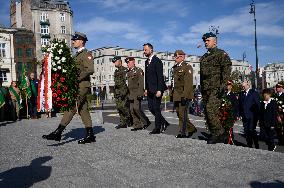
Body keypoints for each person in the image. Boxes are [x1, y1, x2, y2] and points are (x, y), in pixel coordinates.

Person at [42, 31, 96, 144]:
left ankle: (58, 132)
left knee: (72, 106)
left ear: (81, 41)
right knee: (83, 109)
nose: (73, 42)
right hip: (76, 85)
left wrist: (76, 78)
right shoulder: (76, 55)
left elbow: (90, 69)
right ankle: (90, 134)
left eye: (75, 40)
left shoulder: (87, 54)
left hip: (82, 85)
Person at [200, 32, 232, 144]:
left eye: (208, 40)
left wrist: (223, 85)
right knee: (207, 111)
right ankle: (215, 133)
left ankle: (220, 133)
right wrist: (201, 87)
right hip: (206, 88)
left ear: (215, 41)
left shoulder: (221, 54)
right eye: (205, 41)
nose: (205, 43)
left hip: (216, 88)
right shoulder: (204, 57)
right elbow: (202, 75)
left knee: (210, 109)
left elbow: (226, 70)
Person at [143, 43, 169, 134]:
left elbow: (160, 77)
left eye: (145, 50)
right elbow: (147, 77)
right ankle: (164, 122)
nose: (144, 52)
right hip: (150, 89)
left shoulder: (157, 61)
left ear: (151, 50)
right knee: (151, 108)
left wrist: (159, 90)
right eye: (144, 50)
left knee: (156, 108)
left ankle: (157, 128)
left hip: (157, 89)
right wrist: (146, 89)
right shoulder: (146, 62)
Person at [171, 50, 197, 138]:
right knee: (179, 113)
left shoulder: (187, 67)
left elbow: (188, 84)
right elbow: (173, 83)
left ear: (182, 57)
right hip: (177, 94)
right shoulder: (175, 67)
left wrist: (185, 96)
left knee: (182, 113)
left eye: (176, 56)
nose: (175, 58)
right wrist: (172, 94)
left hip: (184, 94)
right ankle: (191, 128)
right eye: (174, 56)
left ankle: (182, 132)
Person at [126, 57, 151, 131]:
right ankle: (137, 125)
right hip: (130, 94)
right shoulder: (128, 72)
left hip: (137, 93)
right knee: (131, 110)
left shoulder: (138, 70)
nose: (128, 64)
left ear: (133, 62)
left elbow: (141, 83)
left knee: (136, 108)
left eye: (129, 62)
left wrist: (140, 94)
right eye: (127, 63)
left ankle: (146, 121)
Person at [239, 80, 260, 149]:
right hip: (244, 116)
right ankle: (249, 145)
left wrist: (257, 117)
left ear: (248, 85)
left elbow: (257, 105)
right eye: (242, 86)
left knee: (252, 130)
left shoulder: (254, 93)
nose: (243, 87)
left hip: (252, 116)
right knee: (246, 131)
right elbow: (240, 105)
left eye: (244, 86)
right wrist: (239, 114)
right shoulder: (241, 93)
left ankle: (256, 145)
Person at [112, 56, 131, 129]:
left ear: (119, 61)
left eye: (115, 61)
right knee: (119, 108)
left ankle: (129, 118)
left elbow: (127, 82)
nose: (114, 63)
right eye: (114, 62)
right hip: (117, 93)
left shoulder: (125, 70)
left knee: (123, 107)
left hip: (123, 92)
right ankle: (123, 123)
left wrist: (125, 92)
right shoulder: (116, 71)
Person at [274, 81, 284, 145]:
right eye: (277, 87)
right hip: (276, 115)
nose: (277, 88)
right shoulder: (274, 95)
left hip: (283, 115)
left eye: (278, 87)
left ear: (281, 88)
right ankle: (280, 140)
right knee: (278, 129)